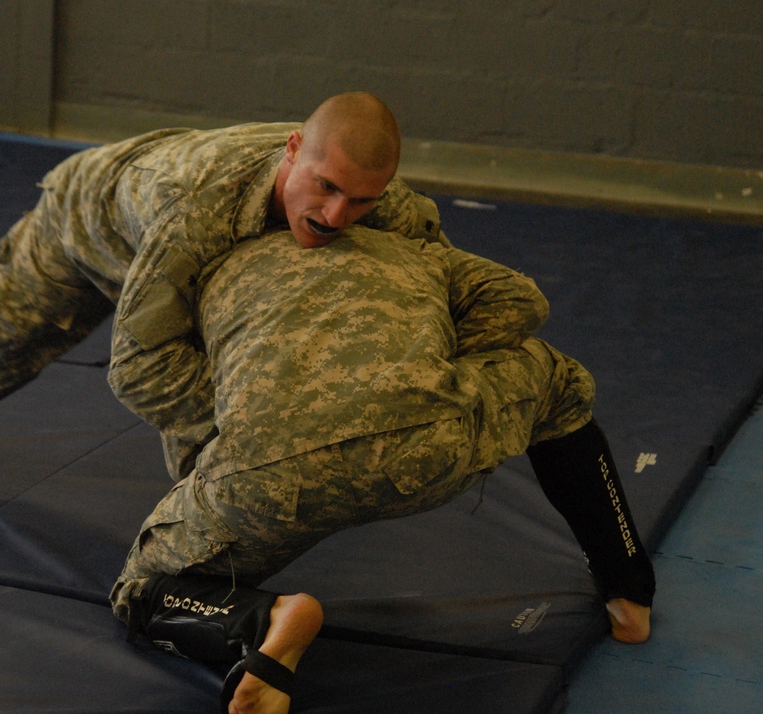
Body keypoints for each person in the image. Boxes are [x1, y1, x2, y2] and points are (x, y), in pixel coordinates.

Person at [110, 226, 656, 714]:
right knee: (556, 382)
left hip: (270, 473)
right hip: (429, 445)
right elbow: (519, 302)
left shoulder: (212, 261)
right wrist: (419, 375)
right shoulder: (413, 249)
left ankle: (261, 622)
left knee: (140, 589)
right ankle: (627, 593)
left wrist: (213, 453)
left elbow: (148, 379)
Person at [0, 92, 447, 477]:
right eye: (325, 188)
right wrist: (249, 432)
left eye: (360, 201)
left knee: (237, 372)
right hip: (82, 230)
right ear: (293, 148)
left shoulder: (379, 200)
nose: (337, 217)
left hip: (183, 234)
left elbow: (435, 259)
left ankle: (213, 543)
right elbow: (139, 371)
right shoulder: (194, 209)